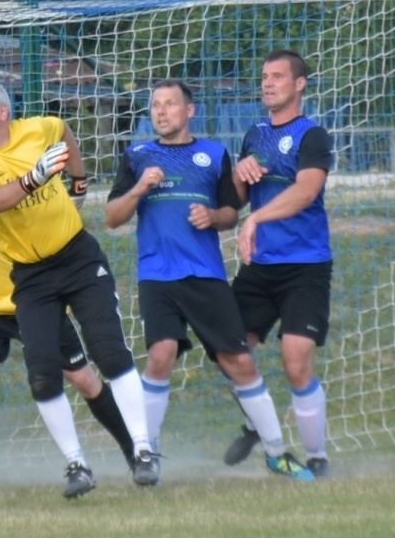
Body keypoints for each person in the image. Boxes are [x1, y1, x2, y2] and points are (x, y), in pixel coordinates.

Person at [0, 78, 156, 498]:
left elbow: (63, 129)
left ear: (3, 112)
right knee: (43, 375)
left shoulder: (36, 129)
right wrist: (35, 177)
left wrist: (78, 182)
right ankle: (77, 465)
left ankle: (142, 450)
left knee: (107, 351)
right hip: (31, 276)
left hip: (77, 258)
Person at [104, 79, 312, 481]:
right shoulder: (137, 156)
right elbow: (112, 218)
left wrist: (212, 217)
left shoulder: (214, 154)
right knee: (160, 354)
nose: (160, 112)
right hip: (157, 275)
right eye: (155, 105)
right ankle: (147, 455)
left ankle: (276, 453)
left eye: (169, 104)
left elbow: (230, 213)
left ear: (189, 111)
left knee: (239, 361)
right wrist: (140, 189)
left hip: (206, 275)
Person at [0, 180, 135, 497]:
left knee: (84, 379)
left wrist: (77, 184)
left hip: (36, 296)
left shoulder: (20, 177)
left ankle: (135, 452)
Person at [222, 49, 335, 478]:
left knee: (296, 361)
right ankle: (258, 424)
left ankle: (317, 457)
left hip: (305, 266)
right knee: (228, 350)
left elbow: (306, 192)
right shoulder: (253, 135)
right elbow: (237, 200)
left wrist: (256, 220)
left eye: (277, 76)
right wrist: (240, 172)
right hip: (260, 266)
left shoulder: (312, 136)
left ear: (299, 84)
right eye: (264, 76)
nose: (267, 83)